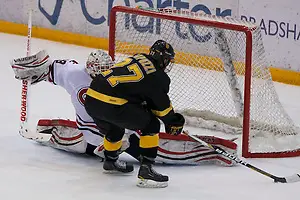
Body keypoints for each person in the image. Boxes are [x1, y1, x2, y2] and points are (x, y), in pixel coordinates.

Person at [10, 47, 237, 187]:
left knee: (115, 131)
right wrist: (169, 120)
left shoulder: (75, 72)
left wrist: (34, 69)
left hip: (98, 123)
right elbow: (156, 104)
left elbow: (49, 68)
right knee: (149, 135)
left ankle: (109, 158)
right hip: (102, 132)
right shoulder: (92, 74)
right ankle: (147, 169)